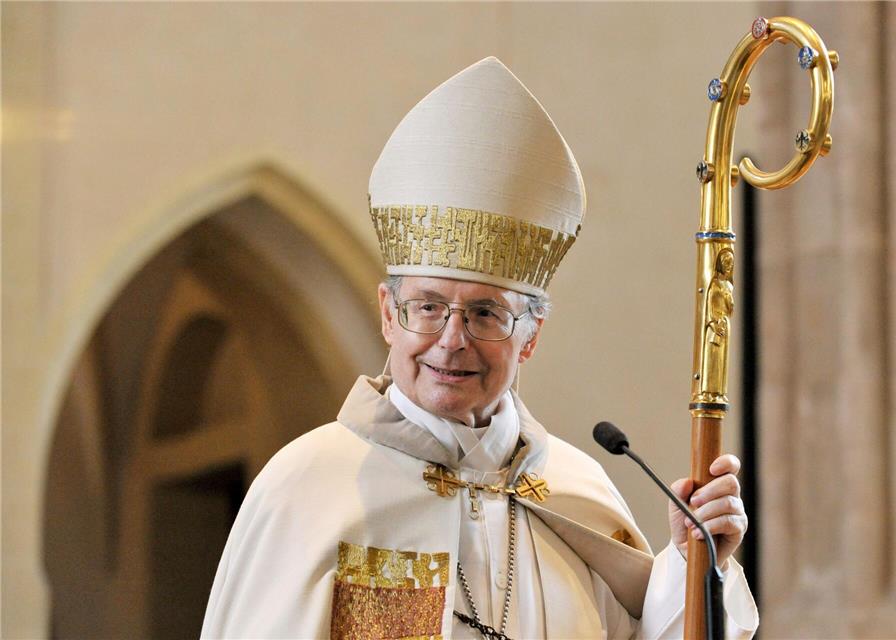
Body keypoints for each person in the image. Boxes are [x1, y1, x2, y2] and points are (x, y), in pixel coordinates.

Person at [201, 57, 758, 639]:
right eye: (428, 307)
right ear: (389, 316)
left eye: (486, 313)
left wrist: (698, 563)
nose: (452, 339)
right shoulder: (306, 489)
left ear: (531, 336)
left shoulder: (577, 491)